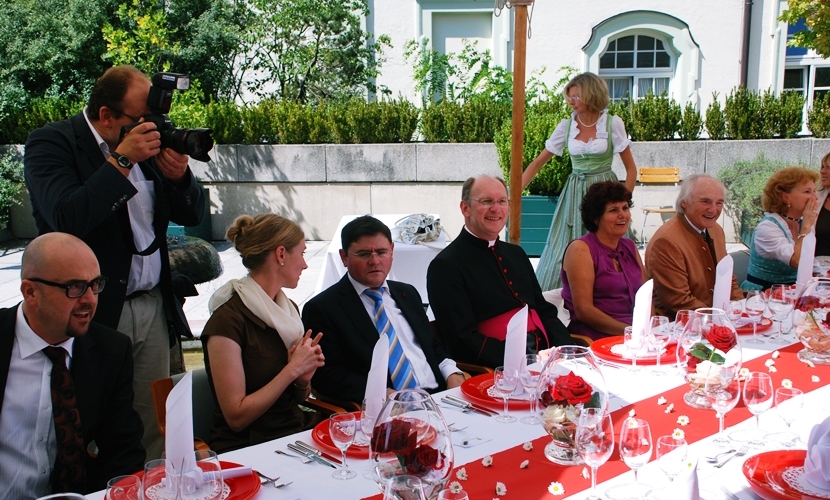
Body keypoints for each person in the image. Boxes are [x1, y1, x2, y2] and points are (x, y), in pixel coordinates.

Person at [23, 65, 205, 459]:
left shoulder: (146, 145)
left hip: (152, 306)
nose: (151, 129)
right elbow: (67, 218)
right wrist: (122, 161)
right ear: (106, 116)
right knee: (83, 422)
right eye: (140, 120)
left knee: (153, 424)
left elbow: (192, 214)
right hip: (90, 308)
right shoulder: (52, 143)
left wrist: (179, 178)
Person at [0, 233, 144, 498]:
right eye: (74, 287)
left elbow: (123, 449)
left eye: (95, 284)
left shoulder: (111, 350)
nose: (90, 299)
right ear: (31, 291)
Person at [303, 216, 465, 405]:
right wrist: (381, 394)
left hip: (440, 398)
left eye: (381, 252)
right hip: (385, 408)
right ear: (344, 257)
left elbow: (432, 345)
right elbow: (327, 376)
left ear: (392, 252)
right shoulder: (323, 309)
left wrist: (451, 372)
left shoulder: (407, 293)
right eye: (364, 254)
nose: (375, 261)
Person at [201, 214, 324, 453]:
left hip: (293, 432)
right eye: (302, 253)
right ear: (280, 255)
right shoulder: (227, 321)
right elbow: (236, 418)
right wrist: (292, 370)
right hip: (249, 444)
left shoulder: (288, 309)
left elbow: (297, 399)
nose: (305, 264)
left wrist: (303, 380)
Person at [427, 175, 573, 368]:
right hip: (499, 369)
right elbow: (462, 341)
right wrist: (528, 359)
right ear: (465, 208)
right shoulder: (446, 265)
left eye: (502, 201)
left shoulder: (516, 253)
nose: (496, 209)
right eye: (486, 201)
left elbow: (544, 310)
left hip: (547, 358)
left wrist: (563, 349)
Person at [522, 72, 637, 291]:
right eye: (569, 97)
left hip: (605, 191)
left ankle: (611, 292)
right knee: (564, 244)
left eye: (576, 97)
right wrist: (513, 193)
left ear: (591, 95)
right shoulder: (566, 126)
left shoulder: (612, 123)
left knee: (608, 242)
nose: (570, 102)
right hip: (575, 192)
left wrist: (622, 203)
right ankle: (560, 296)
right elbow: (537, 163)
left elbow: (631, 168)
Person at [645, 174, 743, 319]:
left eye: (719, 203)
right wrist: (719, 318)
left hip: (716, 318)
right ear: (684, 202)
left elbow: (727, 276)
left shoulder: (715, 230)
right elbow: (678, 302)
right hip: (680, 327)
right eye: (705, 202)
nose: (714, 210)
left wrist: (740, 307)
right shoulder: (666, 241)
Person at [561, 181, 646, 340]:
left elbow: (645, 294)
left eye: (625, 208)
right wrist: (631, 332)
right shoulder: (581, 249)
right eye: (613, 210)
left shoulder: (630, 246)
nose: (622, 215)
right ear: (595, 218)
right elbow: (584, 311)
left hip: (637, 335)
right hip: (597, 337)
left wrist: (649, 326)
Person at [742, 167, 820, 290]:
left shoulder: (803, 223)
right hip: (761, 296)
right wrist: (806, 227)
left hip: (793, 293)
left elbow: (811, 265)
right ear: (785, 197)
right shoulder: (767, 227)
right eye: (807, 192)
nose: (815, 197)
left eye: (814, 191)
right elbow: (797, 261)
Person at [815, 153, 830, 263]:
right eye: (822, 167)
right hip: (817, 271)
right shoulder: (816, 197)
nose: (822, 171)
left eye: (828, 167)